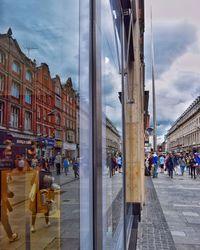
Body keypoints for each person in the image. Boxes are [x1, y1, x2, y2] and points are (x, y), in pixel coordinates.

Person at [29, 163, 54, 232]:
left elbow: (31, 183)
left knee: (34, 210)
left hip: (37, 194)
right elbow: (51, 185)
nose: (36, 168)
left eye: (37, 166)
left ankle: (33, 226)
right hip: (46, 194)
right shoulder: (48, 173)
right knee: (46, 209)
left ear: (39, 166)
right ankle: (47, 222)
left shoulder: (36, 173)